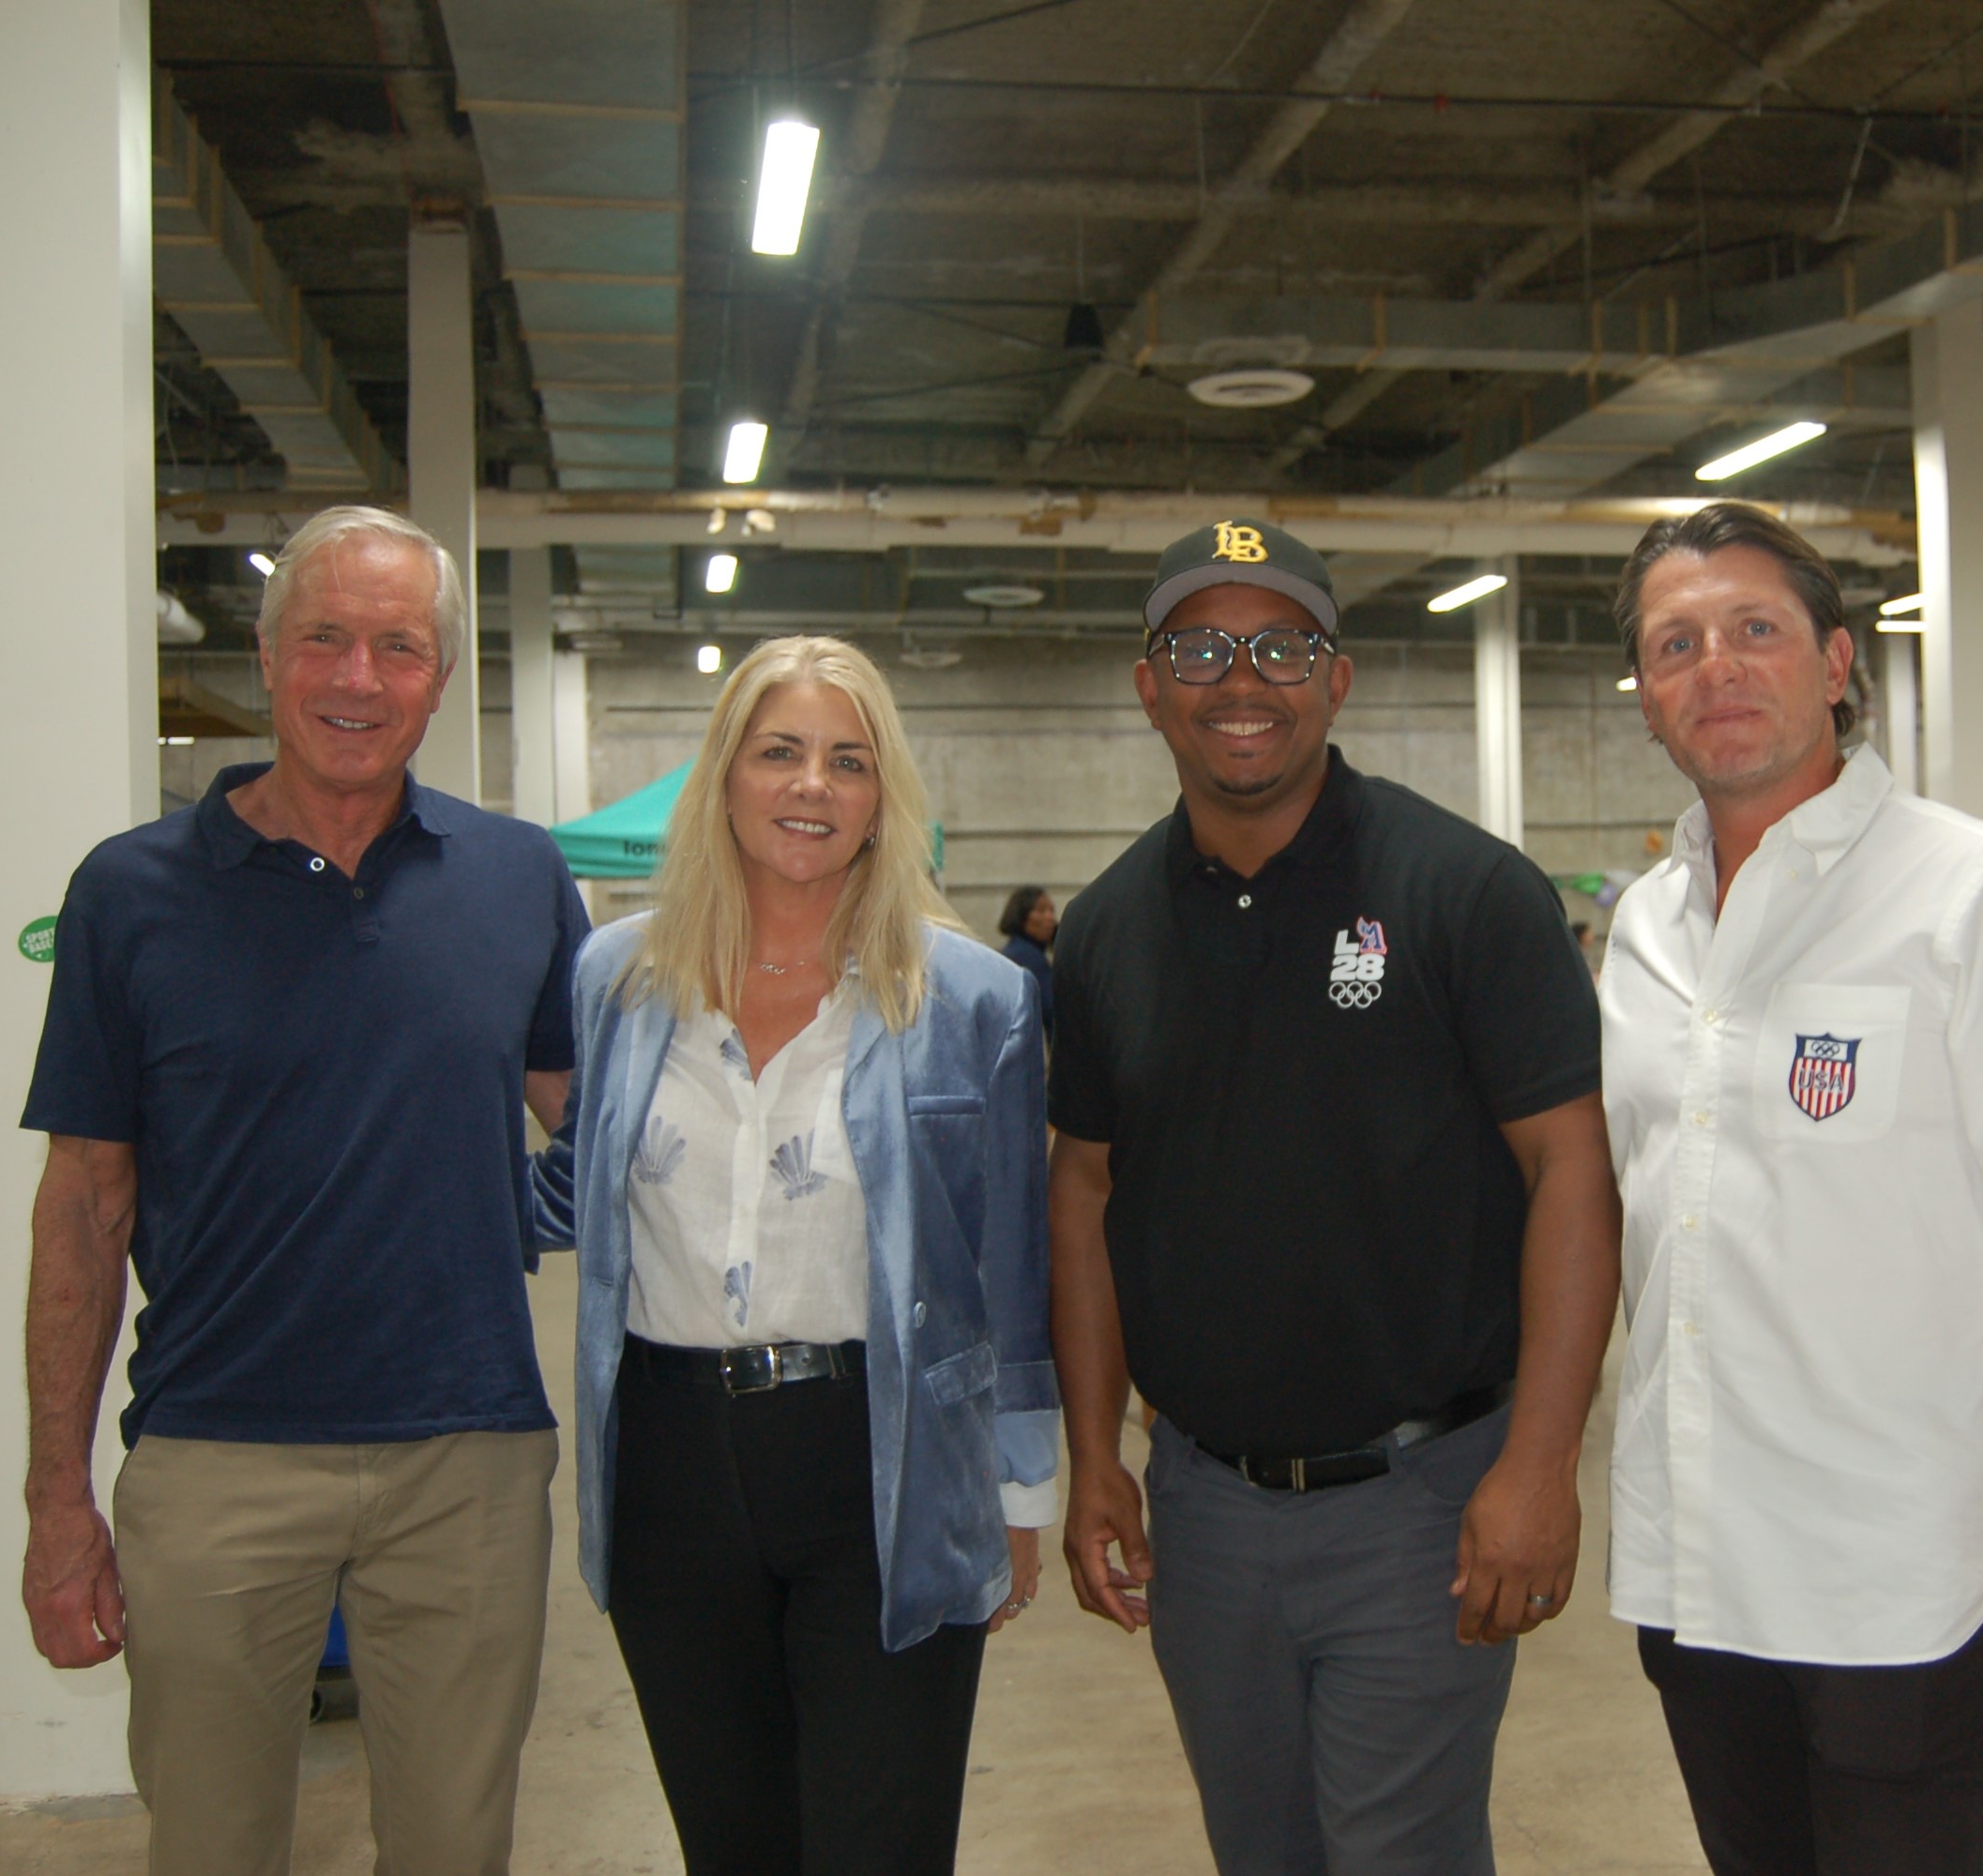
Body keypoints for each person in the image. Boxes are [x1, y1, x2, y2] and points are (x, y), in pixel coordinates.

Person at [1600, 503, 1983, 1876]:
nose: (1716, 668)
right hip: (1693, 1584)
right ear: (1643, 699)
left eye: (1755, 630)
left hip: (1899, 1600)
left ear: (1837, 661)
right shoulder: (1642, 931)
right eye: (1674, 645)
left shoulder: (1978, 897)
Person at [18, 506, 590, 1876]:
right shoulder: (130, 893)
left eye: (397, 647)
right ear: (268, 656)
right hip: (216, 1454)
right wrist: (56, 1498)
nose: (357, 679)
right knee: (211, 1844)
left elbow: (603, 1128)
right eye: (324, 638)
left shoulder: (516, 877)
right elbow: (86, 1207)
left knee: (456, 1845)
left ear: (439, 677)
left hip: (469, 1456)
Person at [1048, 518, 1621, 1875]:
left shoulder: (1463, 893)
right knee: (1261, 1852)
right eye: (1198, 646)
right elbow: (1082, 1195)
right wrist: (1092, 1463)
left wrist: (1537, 1465)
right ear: (1147, 685)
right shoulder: (1108, 928)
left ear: (1335, 678)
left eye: (1278, 646)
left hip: (1419, 1500)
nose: (1238, 679)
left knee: (1396, 1854)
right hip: (1202, 1503)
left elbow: (1571, 1172)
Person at [531, 635, 1056, 1876]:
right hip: (666, 1465)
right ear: (723, 776)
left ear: (884, 800)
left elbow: (1011, 1266)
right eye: (778, 753)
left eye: (846, 761)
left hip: (882, 1457)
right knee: (732, 1843)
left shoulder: (969, 999)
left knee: (878, 1843)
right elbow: (572, 1195)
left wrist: (1018, 1490)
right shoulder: (616, 978)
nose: (809, 786)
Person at [996, 885, 1056, 1044]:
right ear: (1021, 916)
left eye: (1052, 911)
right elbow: (1053, 1014)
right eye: (1041, 910)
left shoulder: (1011, 953)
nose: (1050, 918)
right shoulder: (1029, 959)